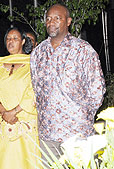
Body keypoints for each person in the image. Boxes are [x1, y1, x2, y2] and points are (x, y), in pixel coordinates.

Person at [30, 3, 106, 161]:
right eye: (48, 18)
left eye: (57, 18)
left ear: (68, 21)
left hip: (76, 132)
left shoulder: (82, 50)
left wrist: (82, 116)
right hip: (48, 134)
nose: (51, 22)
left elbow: (97, 90)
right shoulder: (38, 53)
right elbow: (36, 87)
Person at [0, 27, 41, 169]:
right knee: (7, 163)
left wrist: (14, 112)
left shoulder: (33, 64)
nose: (11, 42)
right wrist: (4, 112)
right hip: (4, 124)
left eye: (15, 38)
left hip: (26, 123)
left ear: (22, 41)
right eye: (8, 39)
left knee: (29, 162)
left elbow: (34, 91)